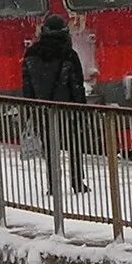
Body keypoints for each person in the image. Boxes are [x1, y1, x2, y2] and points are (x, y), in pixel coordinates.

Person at [21, 13, 90, 194]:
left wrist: (30, 109)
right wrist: (82, 109)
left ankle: (53, 185)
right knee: (74, 145)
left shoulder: (31, 54)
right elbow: (77, 85)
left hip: (41, 109)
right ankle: (76, 181)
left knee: (50, 148)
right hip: (67, 109)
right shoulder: (69, 54)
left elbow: (27, 86)